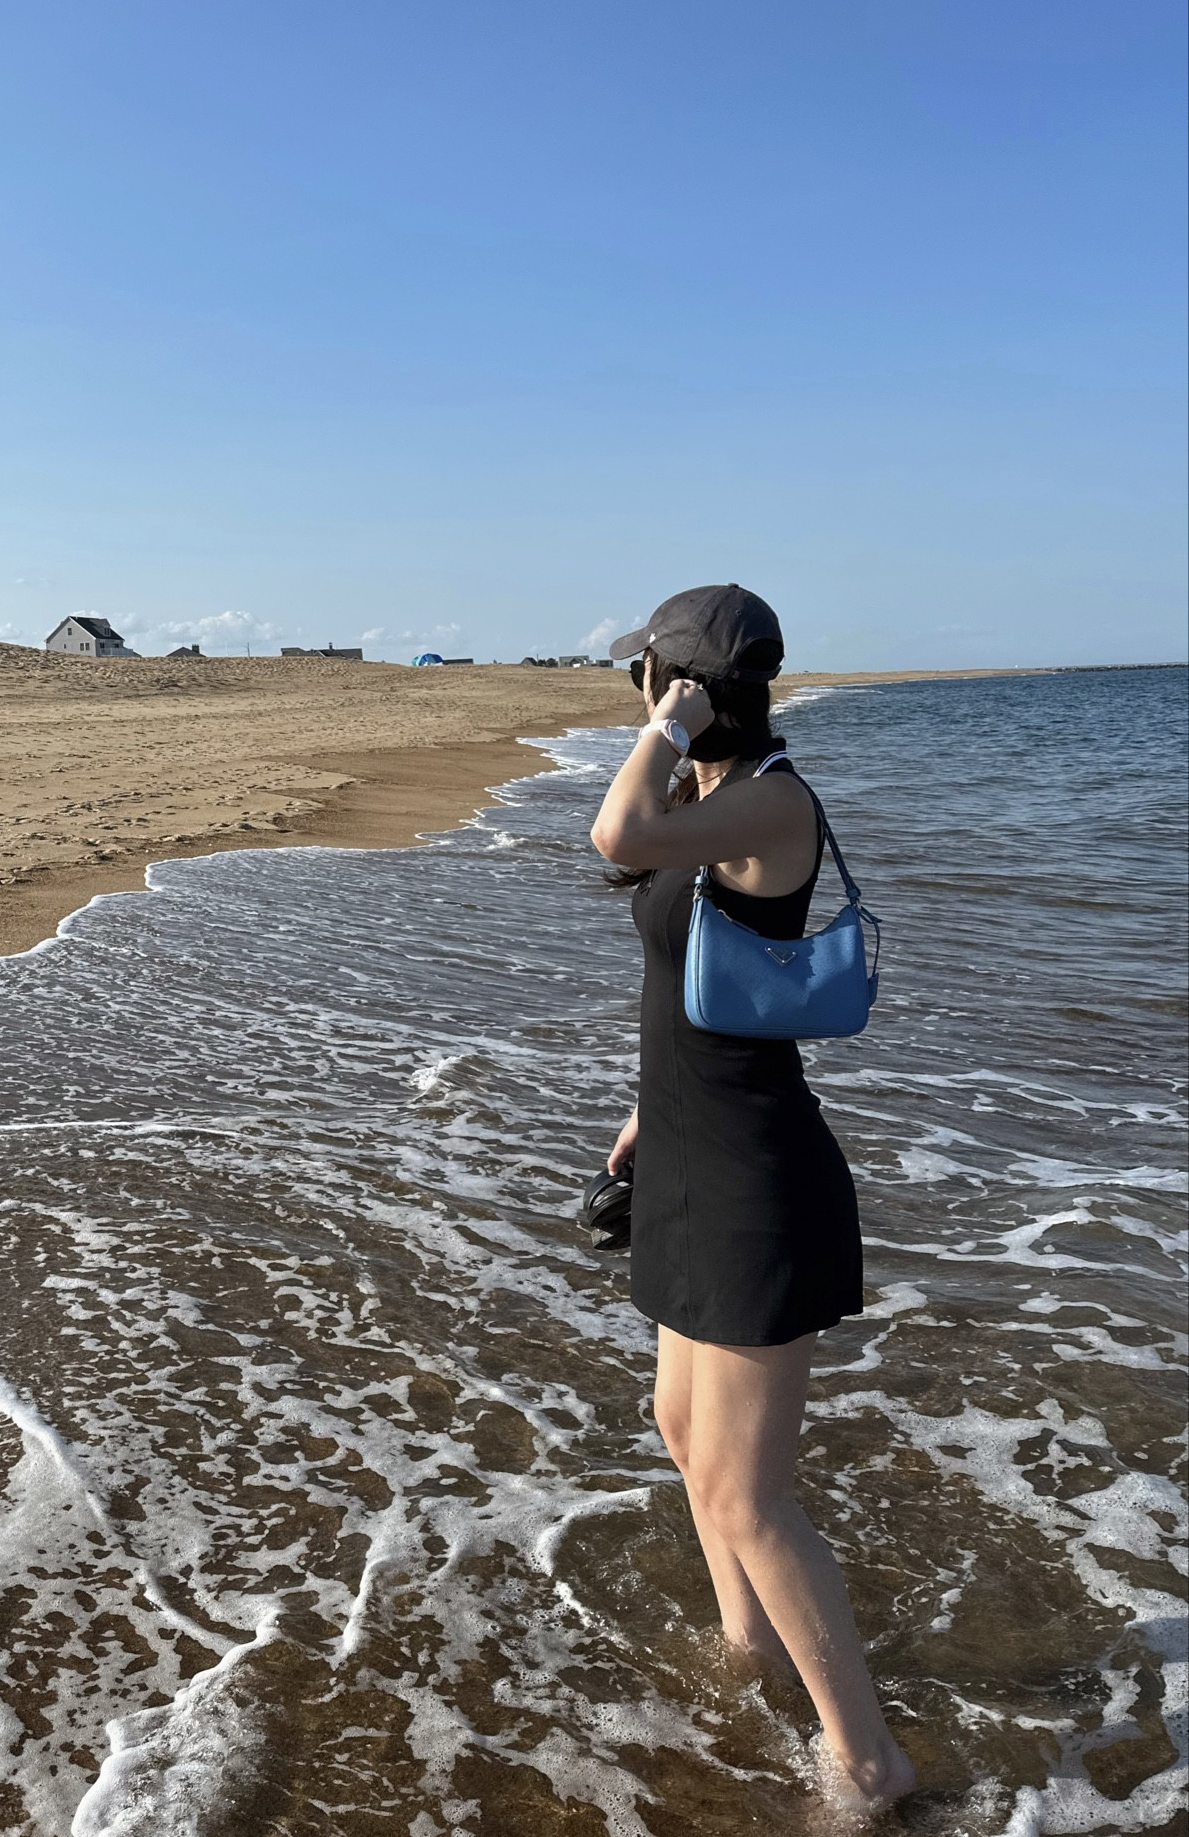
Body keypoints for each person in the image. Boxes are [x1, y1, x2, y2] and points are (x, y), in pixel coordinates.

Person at [589, 583, 915, 1811]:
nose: (633, 692)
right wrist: (642, 1114)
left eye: (647, 677)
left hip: (753, 1181)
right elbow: (692, 976)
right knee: (685, 1435)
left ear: (679, 686)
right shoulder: (714, 800)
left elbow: (613, 836)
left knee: (748, 1488)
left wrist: (662, 729)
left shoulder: (770, 797)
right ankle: (745, 1651)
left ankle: (870, 1762)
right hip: (684, 1151)